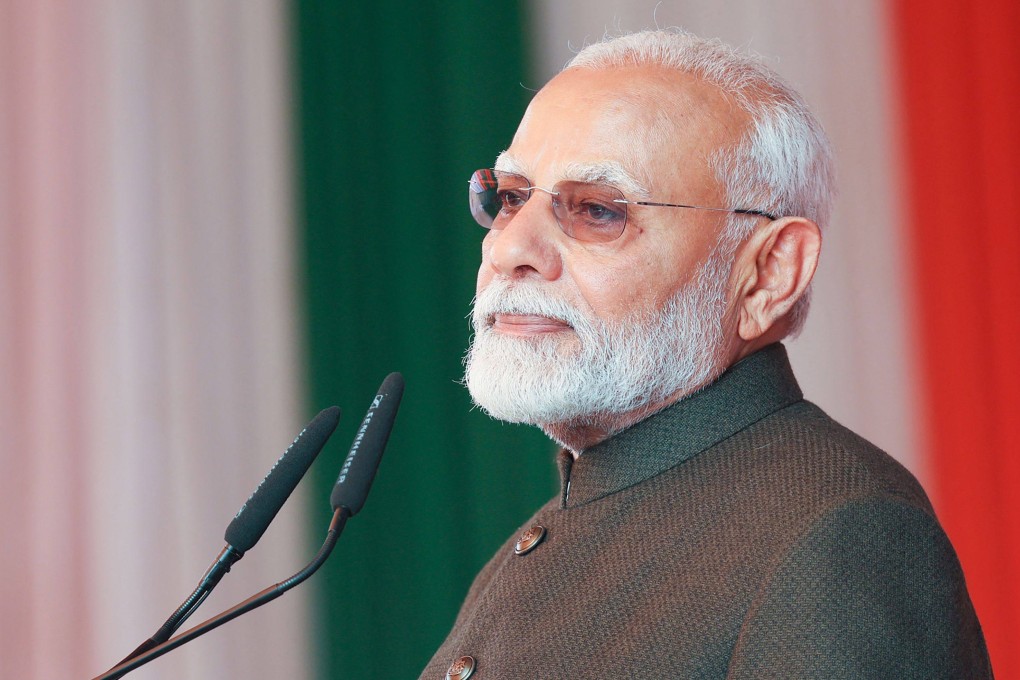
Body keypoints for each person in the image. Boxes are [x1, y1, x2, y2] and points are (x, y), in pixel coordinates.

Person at [421, 30, 991, 679]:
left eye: (599, 212)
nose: (507, 249)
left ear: (771, 272)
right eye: (512, 197)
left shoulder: (842, 534)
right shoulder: (562, 522)